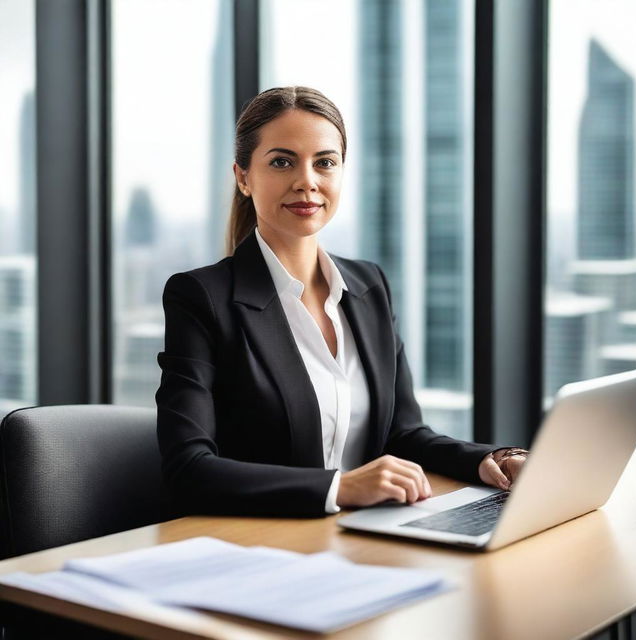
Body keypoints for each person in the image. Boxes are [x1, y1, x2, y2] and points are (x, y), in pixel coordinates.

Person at [155, 86, 528, 517]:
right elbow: (189, 469)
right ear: (243, 177)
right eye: (282, 161)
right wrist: (339, 487)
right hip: (264, 543)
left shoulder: (369, 286)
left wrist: (489, 460)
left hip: (363, 534)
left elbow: (404, 434)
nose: (307, 182)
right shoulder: (202, 298)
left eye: (325, 163)